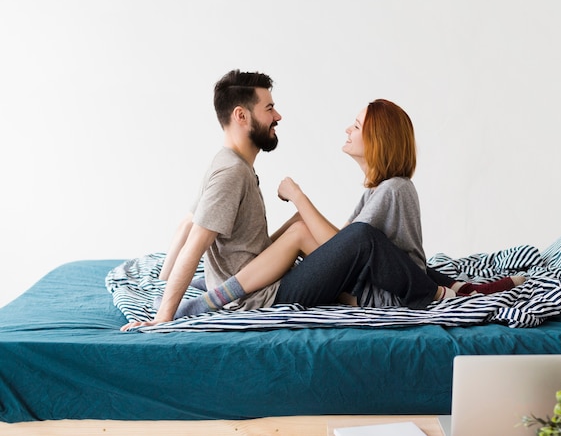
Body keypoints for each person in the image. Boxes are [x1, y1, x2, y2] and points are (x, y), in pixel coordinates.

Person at [138, 97, 523, 324]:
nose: (347, 130)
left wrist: (299, 196)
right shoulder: (377, 191)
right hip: (375, 285)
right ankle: (454, 289)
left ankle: (215, 298)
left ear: (378, 140)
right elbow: (352, 251)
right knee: (314, 230)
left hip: (386, 295)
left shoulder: (396, 189)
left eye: (356, 126)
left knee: (341, 233)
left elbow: (354, 246)